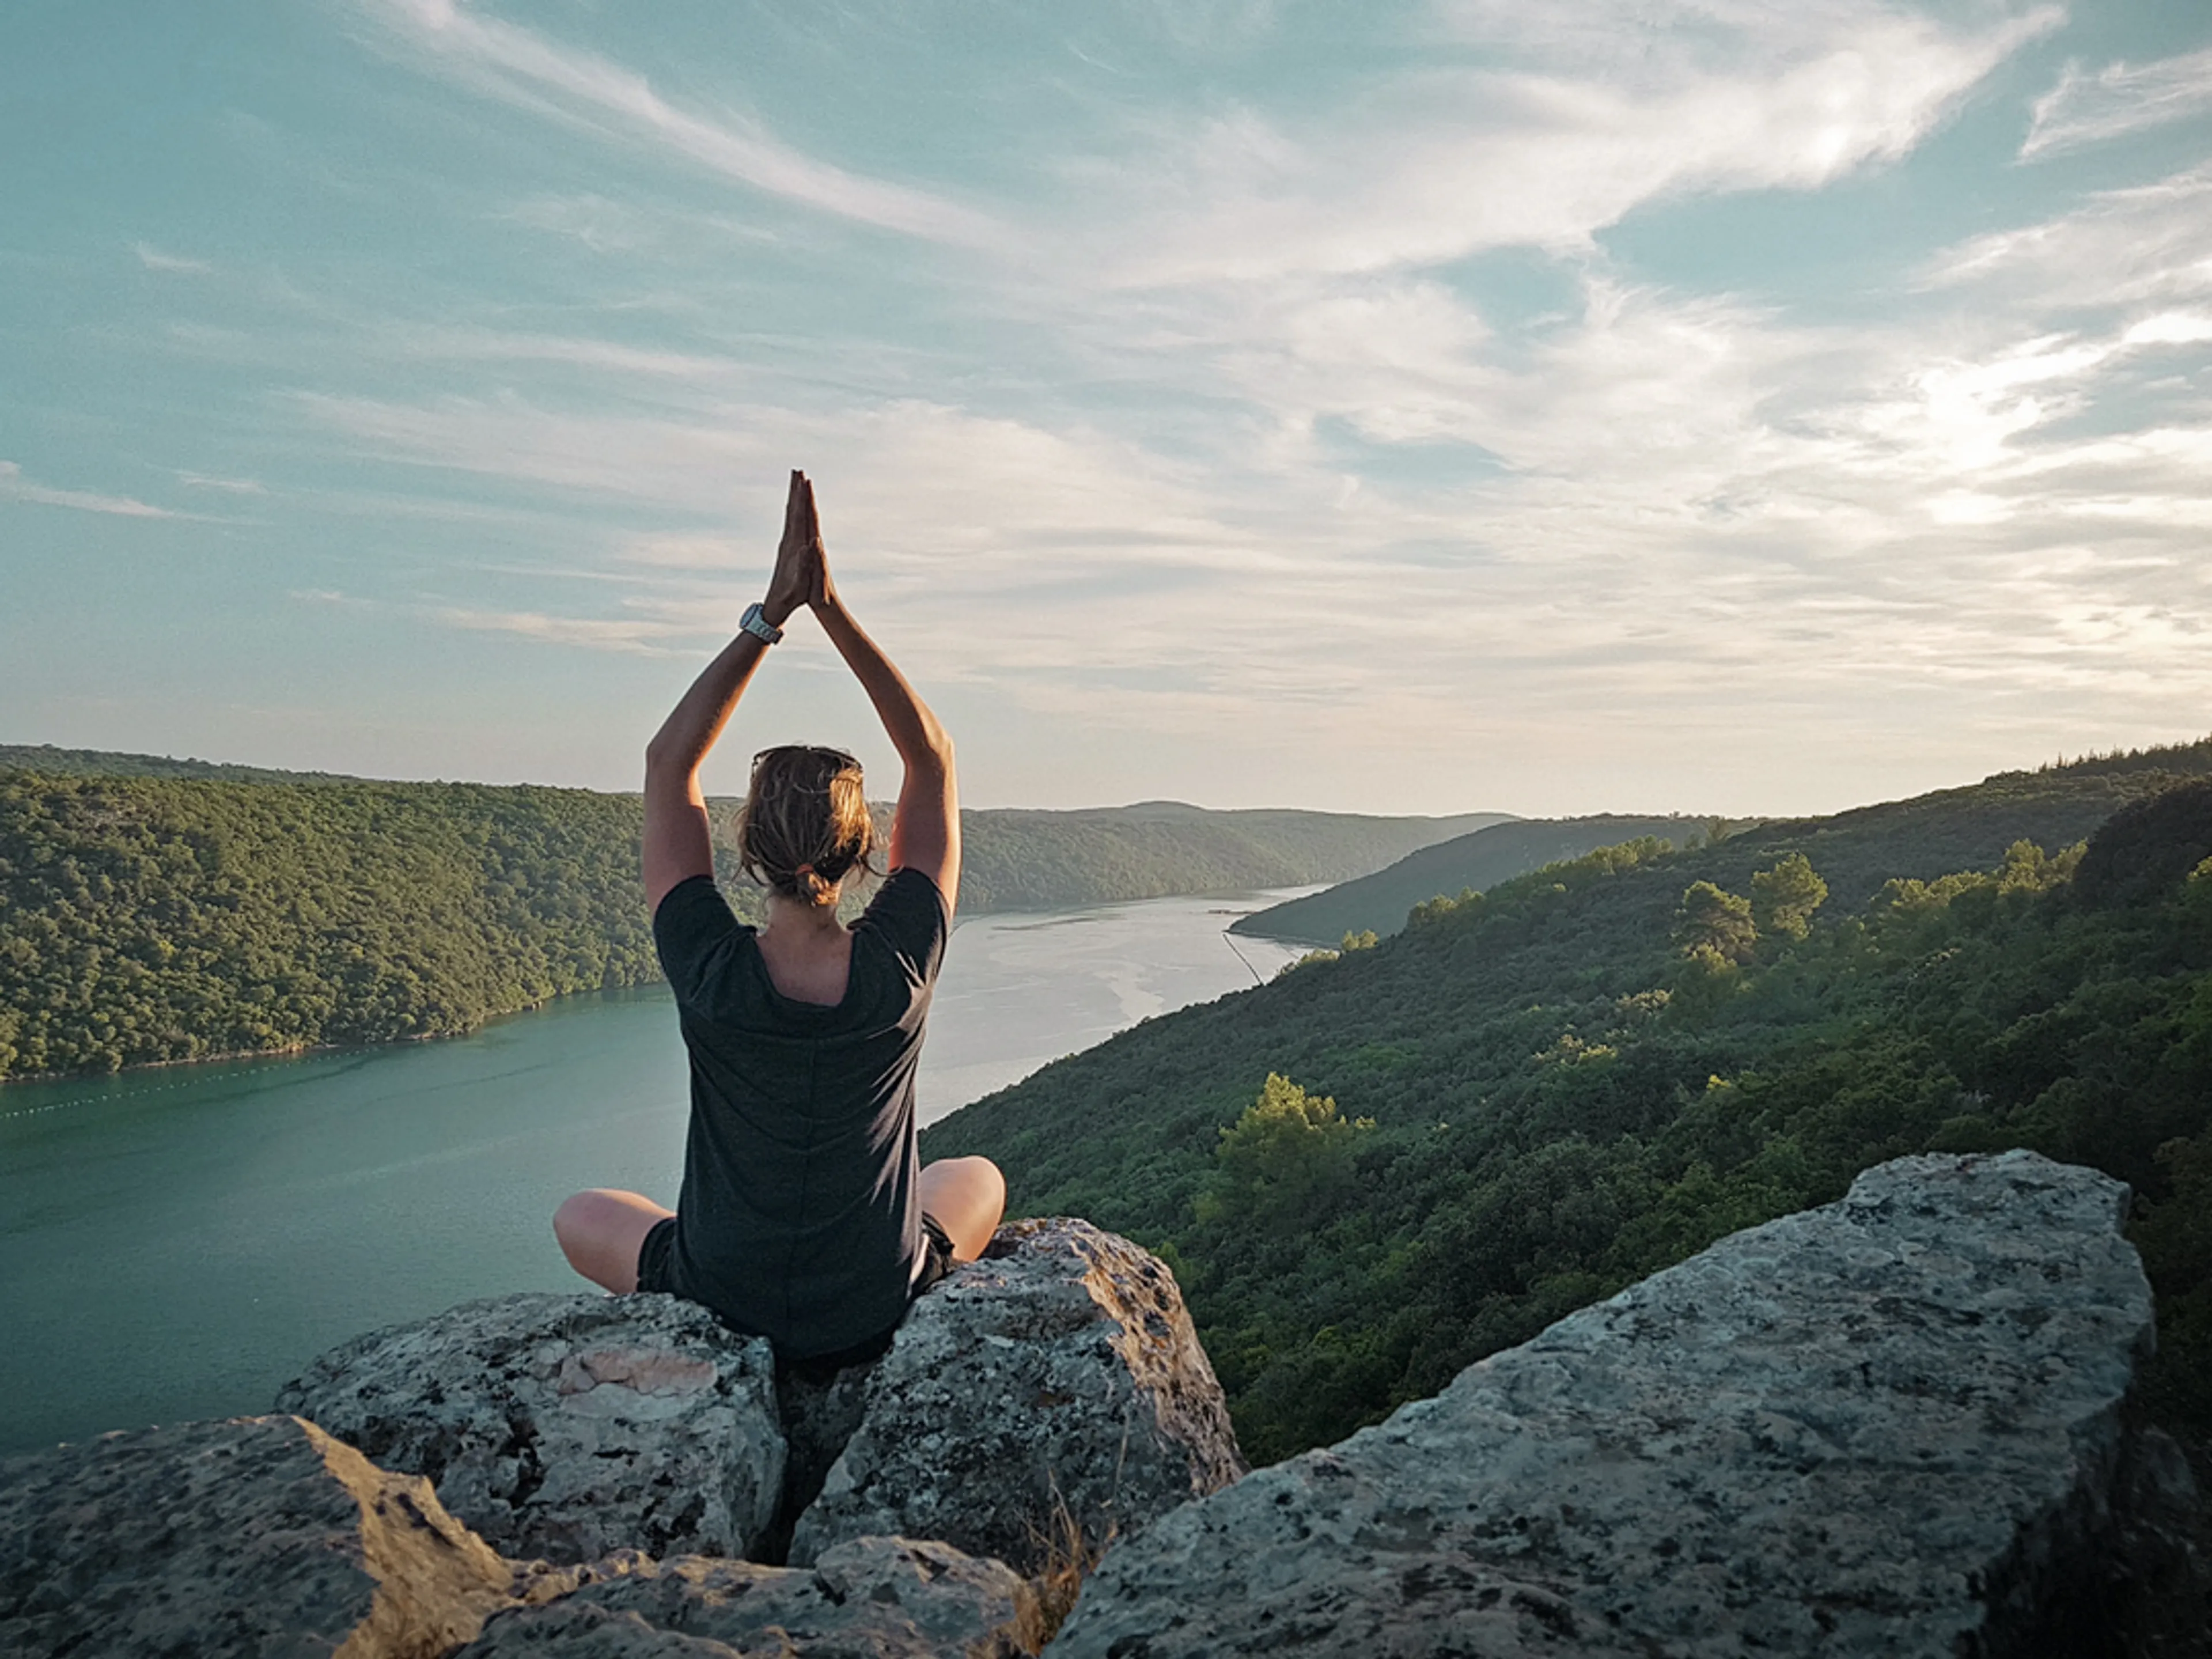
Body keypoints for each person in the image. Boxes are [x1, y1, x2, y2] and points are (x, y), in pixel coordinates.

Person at [552, 469, 1005, 1370]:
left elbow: (666, 764)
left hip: (726, 1293)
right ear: (865, 848)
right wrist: (831, 609)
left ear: (746, 847)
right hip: (869, 1302)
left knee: (582, 1214)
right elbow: (933, 757)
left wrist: (772, 615)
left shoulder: (709, 967)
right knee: (976, 1178)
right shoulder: (901, 966)